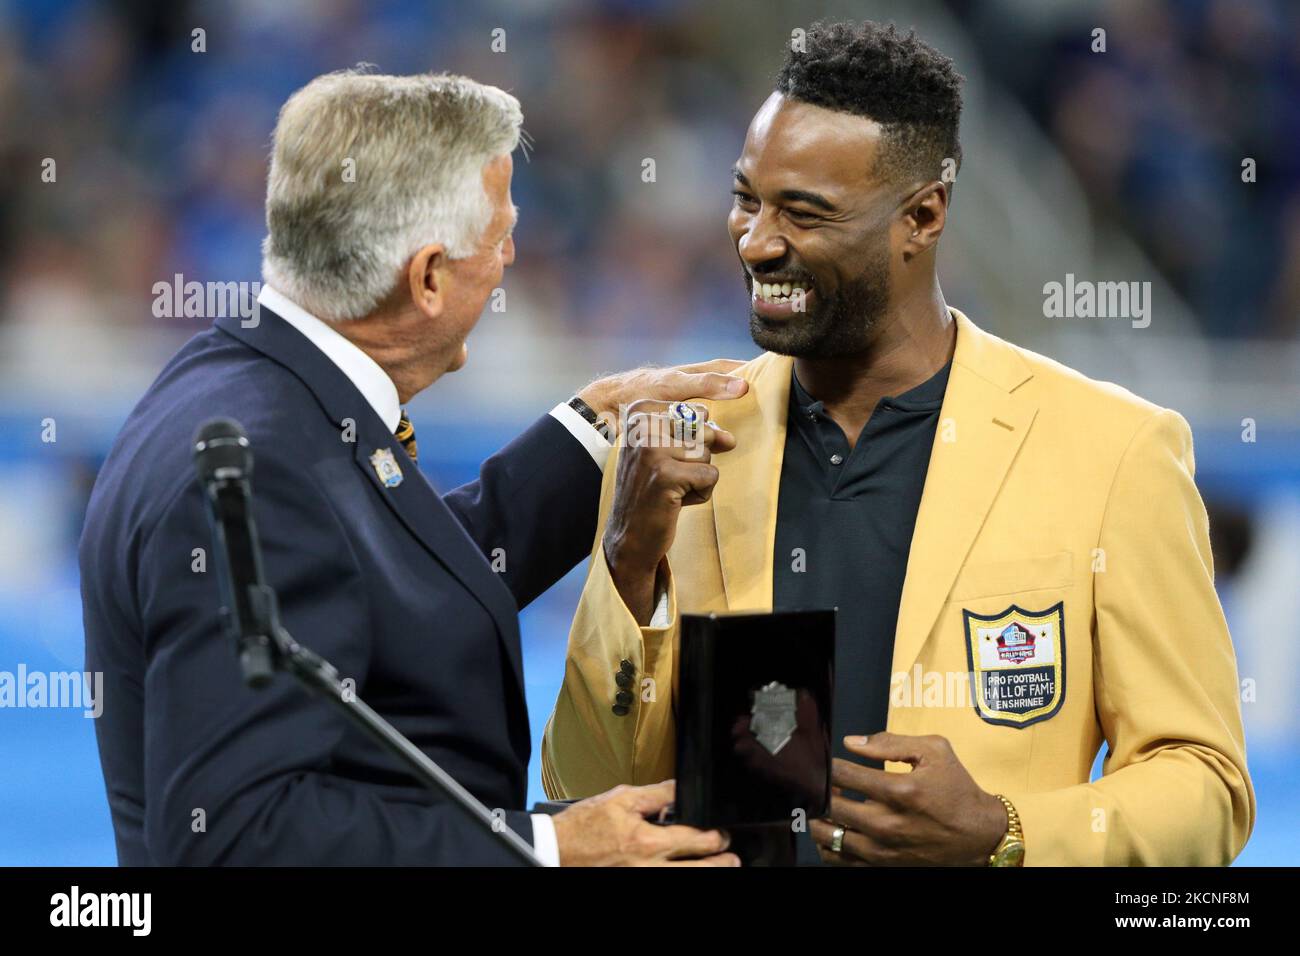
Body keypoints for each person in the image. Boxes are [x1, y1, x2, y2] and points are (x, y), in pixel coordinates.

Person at [542, 21, 1255, 866]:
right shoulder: (683, 449)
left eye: (804, 212)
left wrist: (1006, 832)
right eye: (746, 197)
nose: (756, 240)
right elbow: (582, 789)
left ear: (922, 216)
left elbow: (1204, 783)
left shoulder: (1113, 451)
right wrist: (625, 564)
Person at [80, 69, 746, 866]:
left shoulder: (245, 381)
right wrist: (549, 846)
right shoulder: (260, 473)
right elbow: (238, 838)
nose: (509, 257)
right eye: (502, 234)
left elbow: (387, 587)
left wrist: (592, 428)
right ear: (429, 277)